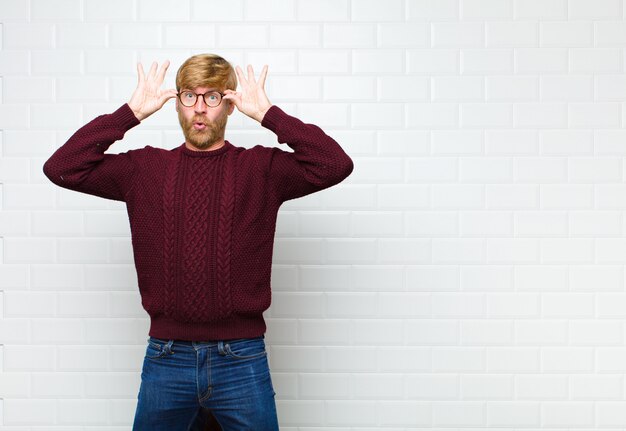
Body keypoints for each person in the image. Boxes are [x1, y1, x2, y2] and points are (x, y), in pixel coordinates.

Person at [43, 54, 353, 430]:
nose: (200, 109)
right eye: (190, 97)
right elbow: (61, 167)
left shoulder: (261, 169)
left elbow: (335, 164)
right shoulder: (143, 169)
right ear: (177, 103)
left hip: (241, 356)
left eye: (213, 97)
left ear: (230, 105)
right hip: (167, 357)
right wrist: (129, 113)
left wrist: (269, 114)